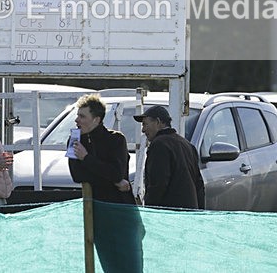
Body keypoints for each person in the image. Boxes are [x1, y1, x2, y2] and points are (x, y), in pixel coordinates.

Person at [68, 93, 144, 273]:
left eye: (82, 116)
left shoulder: (116, 139)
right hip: (97, 215)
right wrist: (113, 179)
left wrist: (87, 159)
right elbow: (77, 175)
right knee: (109, 266)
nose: (77, 120)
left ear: (96, 119)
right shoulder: (74, 140)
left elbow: (116, 172)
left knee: (131, 266)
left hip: (122, 214)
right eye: (77, 115)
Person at [134, 105, 205, 209]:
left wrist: (149, 210)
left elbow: (158, 184)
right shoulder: (187, 144)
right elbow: (199, 185)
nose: (143, 130)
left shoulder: (159, 144)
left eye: (145, 124)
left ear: (158, 122)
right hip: (190, 213)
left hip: (168, 214)